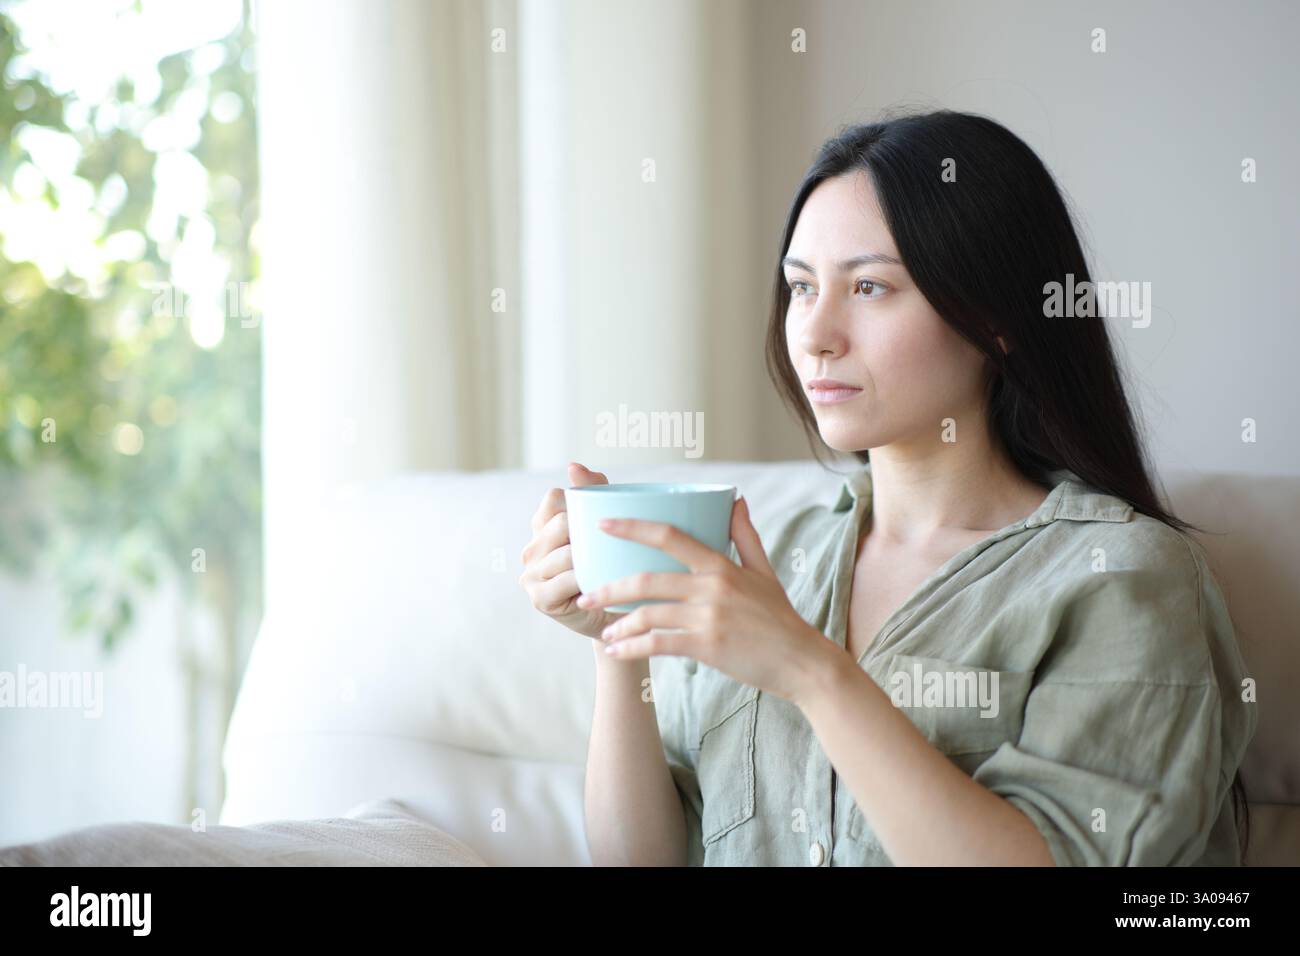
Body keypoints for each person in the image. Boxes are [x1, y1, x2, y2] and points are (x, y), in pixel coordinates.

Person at [518, 109, 1257, 867]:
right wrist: (620, 639)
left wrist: (808, 670)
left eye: (869, 287)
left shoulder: (1126, 580)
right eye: (801, 288)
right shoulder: (779, 558)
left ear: (996, 318)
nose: (814, 333)